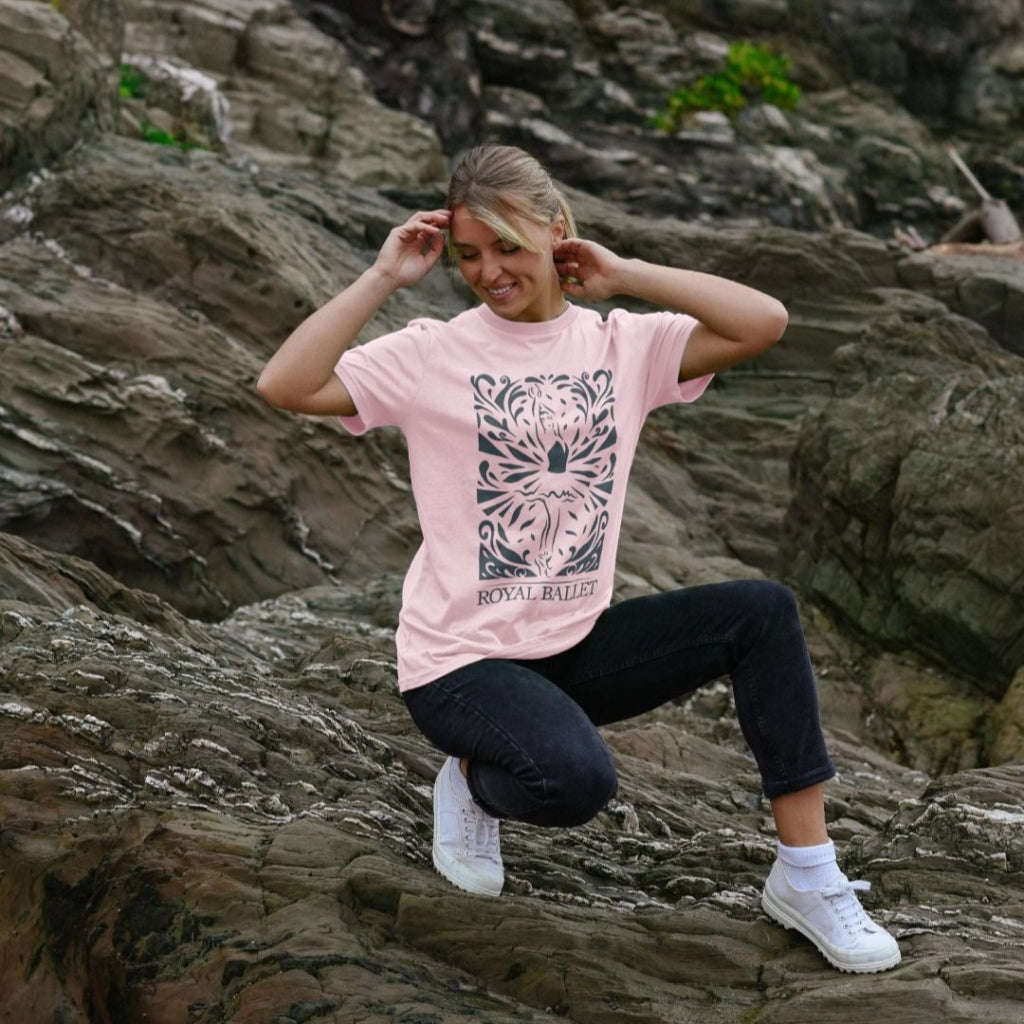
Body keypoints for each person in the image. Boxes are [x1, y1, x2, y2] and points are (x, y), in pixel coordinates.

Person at [257, 144, 901, 974]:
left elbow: (764, 321)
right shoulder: (431, 353)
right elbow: (285, 383)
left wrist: (626, 271)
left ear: (556, 232)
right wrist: (384, 278)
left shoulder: (621, 346)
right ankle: (473, 780)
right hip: (462, 665)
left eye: (509, 249)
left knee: (763, 611)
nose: (489, 272)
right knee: (576, 784)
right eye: (469, 256)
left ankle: (808, 875)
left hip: (573, 645)